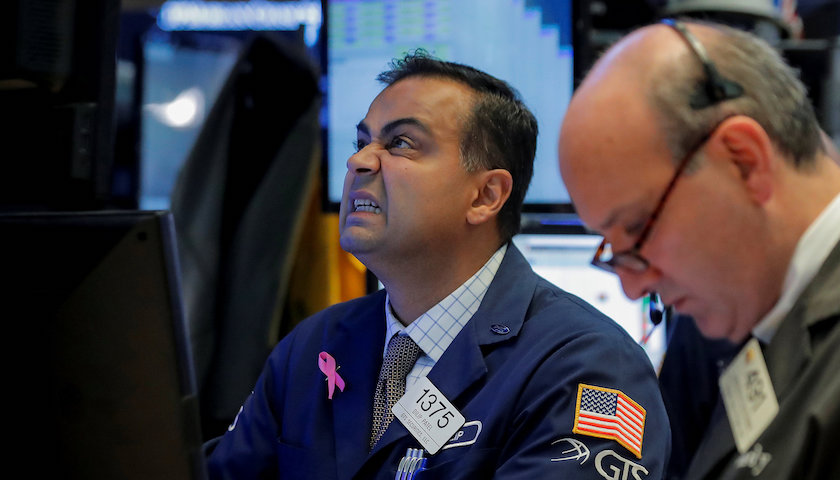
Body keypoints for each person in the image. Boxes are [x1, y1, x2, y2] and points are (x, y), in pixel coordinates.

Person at [206, 51, 670, 479]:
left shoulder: (587, 367)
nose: (359, 161)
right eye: (361, 141)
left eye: (401, 143)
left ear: (485, 196)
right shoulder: (313, 346)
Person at [558, 19, 840, 480]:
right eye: (613, 247)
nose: (632, 288)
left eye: (638, 227)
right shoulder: (761, 317)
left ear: (744, 161)